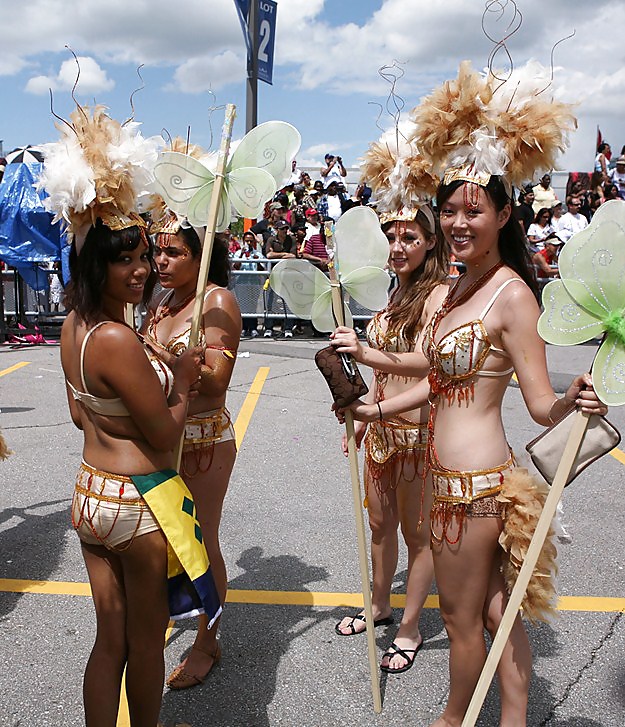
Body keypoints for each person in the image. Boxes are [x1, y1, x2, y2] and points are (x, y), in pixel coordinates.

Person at [333, 60, 606, 726]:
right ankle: (510, 719)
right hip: (444, 477)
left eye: (472, 211)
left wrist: (572, 401)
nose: (458, 222)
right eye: (449, 210)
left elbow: (539, 403)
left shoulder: (510, 292)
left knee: (460, 620)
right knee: (492, 613)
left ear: (504, 212)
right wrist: (365, 359)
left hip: (475, 486)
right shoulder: (456, 290)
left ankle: (455, 716)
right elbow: (431, 367)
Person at [40, 103, 219, 727]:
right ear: (96, 264)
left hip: (90, 495)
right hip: (137, 500)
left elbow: (74, 411)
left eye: (144, 255)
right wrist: (186, 381)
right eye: (125, 259)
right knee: (143, 646)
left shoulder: (75, 328)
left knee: (108, 640)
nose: (142, 269)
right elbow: (166, 433)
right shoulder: (117, 339)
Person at [333, 130, 448, 673]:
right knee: (377, 526)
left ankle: (409, 626)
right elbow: (382, 364)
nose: (398, 246)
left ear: (430, 241)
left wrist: (370, 370)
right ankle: (380, 603)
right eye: (391, 236)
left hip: (420, 435)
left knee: (417, 534)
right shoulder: (393, 294)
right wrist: (364, 415)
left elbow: (429, 365)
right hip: (379, 430)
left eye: (409, 237)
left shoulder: (441, 294)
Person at [145, 212, 241, 689]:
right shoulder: (161, 299)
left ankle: (208, 640)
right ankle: (169, 610)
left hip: (204, 441)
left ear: (200, 256)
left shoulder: (217, 300)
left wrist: (164, 359)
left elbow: (218, 381)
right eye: (157, 250)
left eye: (174, 252)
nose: (161, 261)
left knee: (201, 543)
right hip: (165, 436)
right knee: (164, 539)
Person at [232, 230, 264, 338]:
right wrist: (241, 254)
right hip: (241, 282)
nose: (249, 243)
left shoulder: (257, 254)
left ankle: (253, 327)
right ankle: (243, 328)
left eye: (251, 241)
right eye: (247, 241)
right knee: (242, 305)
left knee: (252, 305)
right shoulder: (238, 253)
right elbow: (235, 266)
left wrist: (257, 261)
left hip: (254, 282)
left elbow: (263, 269)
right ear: (243, 241)